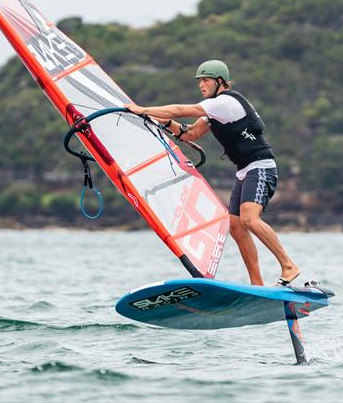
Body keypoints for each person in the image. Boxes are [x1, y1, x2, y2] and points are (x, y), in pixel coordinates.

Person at [125, 60, 301, 287]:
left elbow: (182, 110)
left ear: (220, 82)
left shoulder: (225, 102)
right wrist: (163, 121)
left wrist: (142, 109)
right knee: (237, 227)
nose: (201, 85)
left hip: (261, 166)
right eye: (199, 81)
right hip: (244, 171)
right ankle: (257, 283)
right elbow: (190, 134)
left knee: (249, 218)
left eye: (206, 80)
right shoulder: (214, 111)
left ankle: (288, 266)